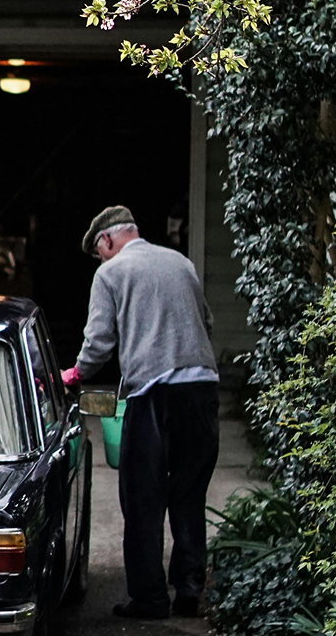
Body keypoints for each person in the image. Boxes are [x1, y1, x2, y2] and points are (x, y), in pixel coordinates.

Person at [61, 205, 219, 620]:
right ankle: (188, 590)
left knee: (143, 498)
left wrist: (75, 374)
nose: (100, 259)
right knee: (188, 495)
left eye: (99, 251)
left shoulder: (110, 274)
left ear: (107, 240)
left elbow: (99, 343)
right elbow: (207, 321)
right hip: (202, 391)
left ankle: (150, 598)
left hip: (153, 394)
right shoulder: (181, 262)